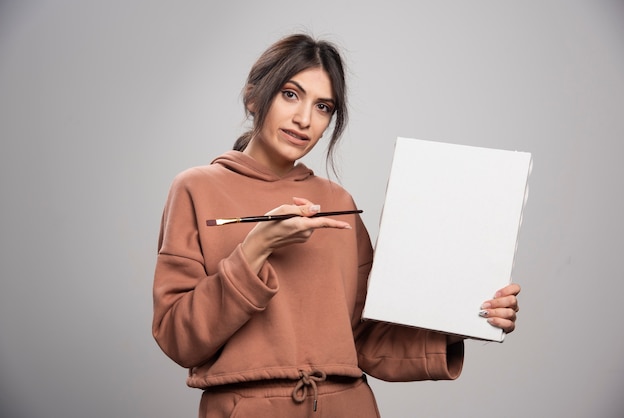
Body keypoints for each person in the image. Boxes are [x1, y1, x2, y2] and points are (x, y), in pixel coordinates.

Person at [152, 33, 521, 418]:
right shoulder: (196, 188)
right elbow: (178, 338)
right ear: (253, 97)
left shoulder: (337, 203)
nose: (304, 119)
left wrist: (466, 317)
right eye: (290, 94)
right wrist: (255, 248)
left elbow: (366, 339)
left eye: (323, 106)